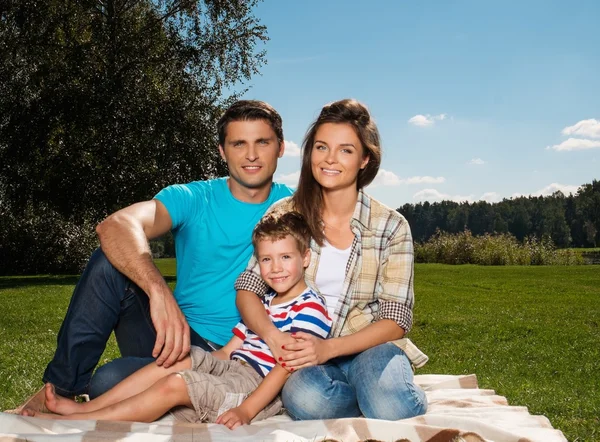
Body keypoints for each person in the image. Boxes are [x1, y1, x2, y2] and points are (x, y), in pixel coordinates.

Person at [9, 100, 293, 413]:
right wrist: (159, 292)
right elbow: (115, 226)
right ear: (222, 151)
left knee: (109, 380)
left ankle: (168, 396)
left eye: (262, 142)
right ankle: (59, 389)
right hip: (179, 339)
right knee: (109, 263)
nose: (251, 155)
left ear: (280, 148)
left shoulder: (295, 208)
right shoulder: (193, 197)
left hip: (248, 352)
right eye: (239, 143)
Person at [21, 212, 332, 430]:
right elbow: (230, 349)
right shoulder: (263, 301)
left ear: (305, 258)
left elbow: (285, 367)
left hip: (257, 388)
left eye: (285, 257)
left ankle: (76, 421)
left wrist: (246, 410)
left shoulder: (310, 307)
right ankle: (86, 407)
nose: (275, 268)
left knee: (176, 384)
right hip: (233, 367)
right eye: (266, 259)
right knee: (178, 362)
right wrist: (196, 362)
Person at [235, 98, 428, 421]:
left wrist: (329, 348)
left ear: (365, 159)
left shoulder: (391, 226)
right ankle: (362, 399)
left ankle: (380, 393)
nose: (330, 159)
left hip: (367, 347)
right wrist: (275, 338)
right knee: (306, 398)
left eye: (346, 150)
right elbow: (248, 289)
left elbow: (396, 320)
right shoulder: (285, 213)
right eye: (322, 147)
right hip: (304, 352)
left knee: (392, 406)